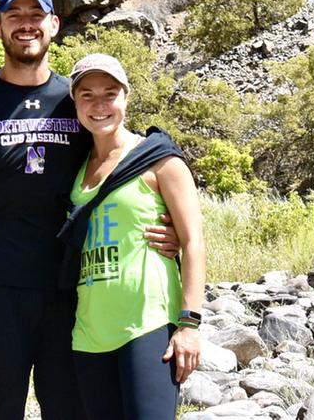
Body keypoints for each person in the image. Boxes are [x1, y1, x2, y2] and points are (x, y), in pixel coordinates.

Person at [0, 0, 177, 420]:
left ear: (54, 24)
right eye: (15, 16)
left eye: (35, 15)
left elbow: (122, 166)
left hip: (71, 293)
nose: (26, 25)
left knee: (70, 410)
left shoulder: (78, 101)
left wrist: (171, 226)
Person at [58, 52, 206, 420]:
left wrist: (189, 324)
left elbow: (193, 242)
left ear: (126, 96)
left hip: (147, 324)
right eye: (87, 94)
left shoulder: (158, 159)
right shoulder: (74, 170)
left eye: (110, 93)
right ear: (74, 102)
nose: (99, 105)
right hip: (89, 331)